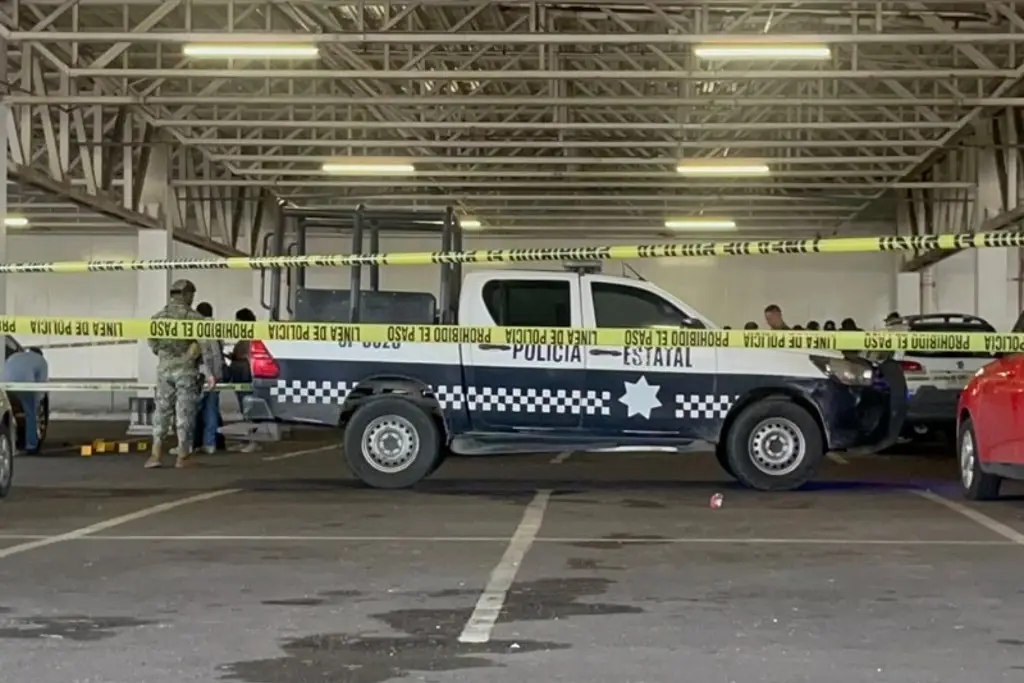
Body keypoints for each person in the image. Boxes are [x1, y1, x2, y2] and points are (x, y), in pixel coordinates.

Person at [145, 279, 222, 469]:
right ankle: (183, 454)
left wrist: (165, 356)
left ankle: (155, 454)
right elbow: (206, 348)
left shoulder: (157, 317)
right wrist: (211, 373)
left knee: (162, 410)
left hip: (164, 369)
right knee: (184, 412)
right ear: (186, 295)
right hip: (186, 370)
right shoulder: (194, 318)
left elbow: (153, 343)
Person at [3, 346, 48, 454]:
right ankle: (31, 446)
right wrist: (37, 403)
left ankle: (9, 445)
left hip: (5, 385)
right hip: (24, 386)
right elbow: (41, 385)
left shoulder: (15, 356)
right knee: (30, 415)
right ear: (40, 354)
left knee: (6, 415)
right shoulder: (41, 361)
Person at [228, 307, 260, 453]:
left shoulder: (252, 336)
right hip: (240, 370)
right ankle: (246, 439)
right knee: (243, 407)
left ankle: (254, 440)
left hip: (245, 371)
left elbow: (248, 355)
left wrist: (236, 357)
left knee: (248, 406)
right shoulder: (246, 335)